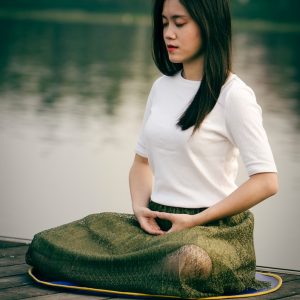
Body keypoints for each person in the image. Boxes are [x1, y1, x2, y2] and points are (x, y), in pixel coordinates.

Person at [26, 0, 278, 298]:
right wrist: (140, 209)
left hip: (212, 231)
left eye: (179, 23)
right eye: (164, 22)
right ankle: (141, 269)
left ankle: (130, 269)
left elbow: (266, 181)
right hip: (157, 227)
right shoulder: (161, 88)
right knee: (46, 244)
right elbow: (141, 163)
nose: (168, 33)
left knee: (187, 261)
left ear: (209, 24)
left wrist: (196, 220)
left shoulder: (234, 95)